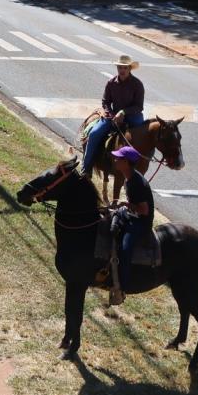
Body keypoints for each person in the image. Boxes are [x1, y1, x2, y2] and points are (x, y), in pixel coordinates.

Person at [80, 55, 145, 177]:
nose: (122, 70)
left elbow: (139, 106)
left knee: (143, 135)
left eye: (125, 68)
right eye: (120, 67)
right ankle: (86, 167)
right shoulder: (111, 83)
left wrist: (124, 112)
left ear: (130, 69)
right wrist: (109, 112)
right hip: (113, 115)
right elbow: (105, 101)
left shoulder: (137, 84)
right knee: (94, 134)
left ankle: (143, 163)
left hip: (132, 115)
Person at [108, 145, 153, 306]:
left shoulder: (136, 183)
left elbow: (144, 210)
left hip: (140, 222)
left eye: (118, 158)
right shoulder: (129, 177)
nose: (115, 160)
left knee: (125, 249)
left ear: (126, 162)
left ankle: (122, 287)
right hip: (131, 215)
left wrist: (126, 204)